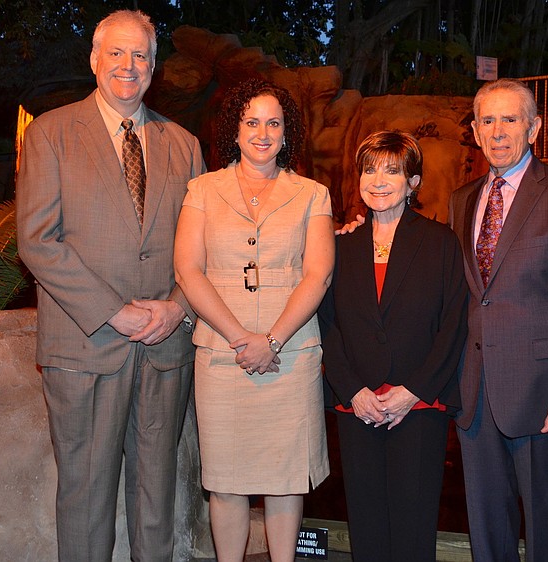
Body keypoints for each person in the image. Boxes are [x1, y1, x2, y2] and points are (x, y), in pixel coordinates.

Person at [16, 10, 205, 562]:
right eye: (116, 53)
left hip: (165, 348)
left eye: (140, 55)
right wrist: (112, 312)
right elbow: (37, 240)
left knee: (157, 498)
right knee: (85, 495)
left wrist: (177, 307)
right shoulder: (51, 133)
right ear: (95, 59)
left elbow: (200, 247)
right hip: (84, 345)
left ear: (154, 67)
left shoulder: (184, 144)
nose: (128, 65)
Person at [448, 78, 548, 561]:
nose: (498, 131)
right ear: (475, 131)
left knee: (545, 526)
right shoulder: (461, 200)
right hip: (474, 397)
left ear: (534, 128)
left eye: (510, 119)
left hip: (544, 397)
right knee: (487, 528)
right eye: (488, 121)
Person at [173, 78, 334, 562]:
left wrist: (273, 340)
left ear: (287, 134)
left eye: (273, 123)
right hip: (223, 358)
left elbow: (319, 274)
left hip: (291, 356)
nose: (262, 132)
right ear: (235, 130)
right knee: (226, 481)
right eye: (251, 122)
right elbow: (187, 269)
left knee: (287, 480)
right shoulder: (202, 190)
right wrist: (241, 337)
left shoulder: (313, 195)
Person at [319, 130, 468, 562]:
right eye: (369, 169)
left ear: (414, 182)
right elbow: (326, 324)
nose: (379, 180)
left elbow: (454, 325)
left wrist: (414, 391)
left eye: (392, 170)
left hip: (418, 407)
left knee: (413, 525)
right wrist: (352, 390)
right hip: (358, 404)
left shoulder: (441, 243)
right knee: (365, 523)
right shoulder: (340, 245)